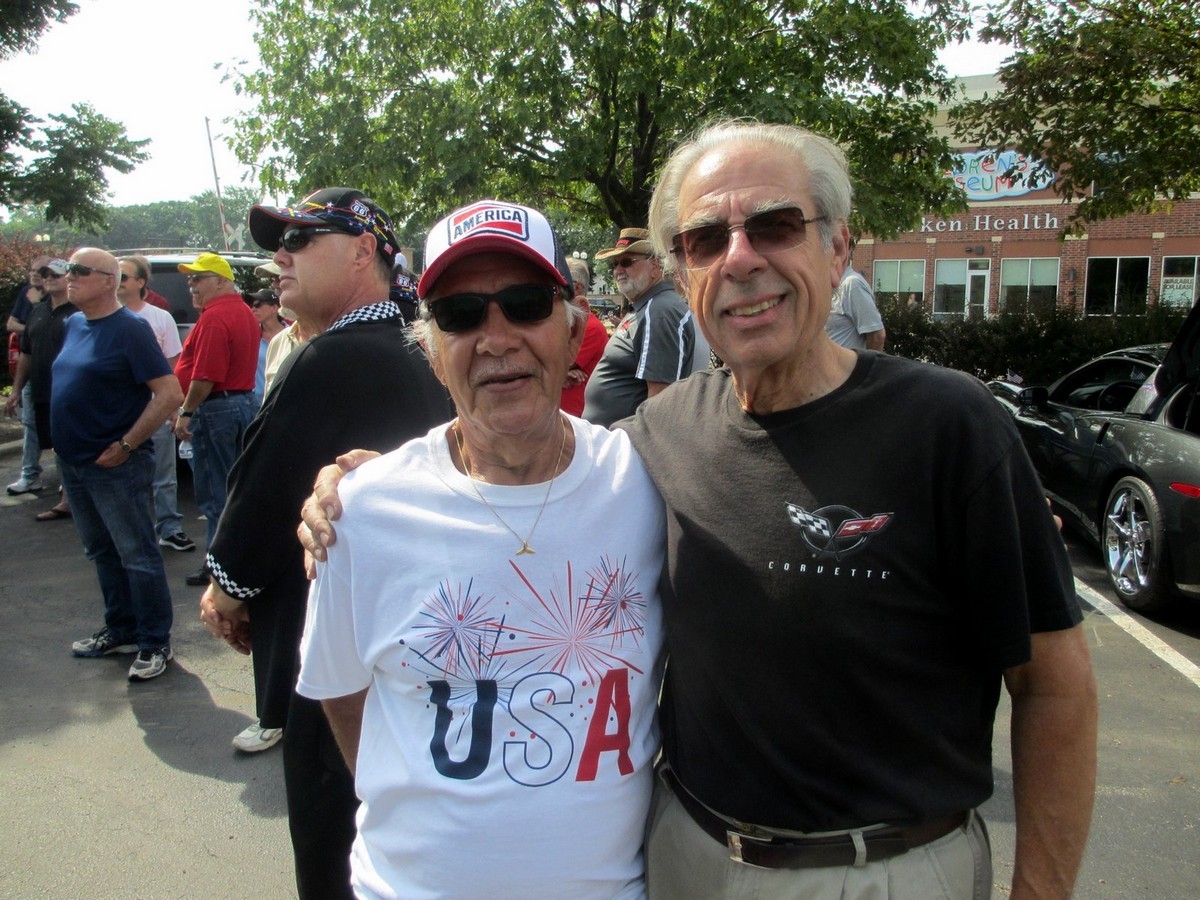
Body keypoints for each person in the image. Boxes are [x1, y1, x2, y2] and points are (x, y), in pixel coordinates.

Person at [303, 123, 1098, 900]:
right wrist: (368, 489)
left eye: (776, 225)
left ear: (838, 249)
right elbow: (361, 686)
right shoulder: (658, 437)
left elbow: (1056, 687)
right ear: (684, 275)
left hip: (881, 871)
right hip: (688, 860)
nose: (741, 259)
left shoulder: (948, 426)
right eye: (707, 240)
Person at [293, 198, 665, 898]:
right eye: (460, 315)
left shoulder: (645, 480)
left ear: (573, 330)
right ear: (432, 353)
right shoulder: (363, 512)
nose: (496, 338)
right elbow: (342, 693)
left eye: (525, 305)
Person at [197, 187, 453, 898]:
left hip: (338, 650)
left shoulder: (335, 357)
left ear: (364, 250)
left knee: (335, 840)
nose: (281, 257)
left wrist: (226, 590)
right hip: (430, 641)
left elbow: (266, 487)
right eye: (280, 243)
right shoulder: (417, 344)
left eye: (300, 240)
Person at [53, 249, 182, 681]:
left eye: (79, 271)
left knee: (137, 555)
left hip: (115, 467)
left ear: (109, 281)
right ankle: (121, 628)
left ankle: (154, 641)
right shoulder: (74, 324)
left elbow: (169, 393)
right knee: (101, 551)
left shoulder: (131, 329)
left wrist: (127, 445)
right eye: (68, 269)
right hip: (74, 463)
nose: (69, 277)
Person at [171, 253, 260, 586]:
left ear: (222, 281)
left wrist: (186, 411)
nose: (192, 286)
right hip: (240, 404)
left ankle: (218, 566)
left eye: (198, 278)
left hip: (218, 408)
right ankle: (234, 560)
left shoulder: (215, 317)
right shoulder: (243, 312)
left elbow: (206, 375)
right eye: (190, 279)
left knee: (215, 494)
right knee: (234, 488)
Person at [582, 227, 702, 427]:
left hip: (626, 442)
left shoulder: (659, 311)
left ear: (655, 265)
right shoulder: (650, 306)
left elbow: (661, 403)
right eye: (615, 264)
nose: (618, 271)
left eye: (627, 262)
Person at [118, 256, 194, 553]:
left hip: (155, 411)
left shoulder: (160, 318)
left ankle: (169, 528)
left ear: (141, 282)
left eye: (123, 276)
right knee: (123, 477)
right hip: (118, 415)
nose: (117, 282)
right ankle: (129, 533)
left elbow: (174, 365)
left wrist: (175, 409)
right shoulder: (100, 319)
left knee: (164, 476)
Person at [4, 258, 76, 520]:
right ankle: (69, 498)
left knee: (72, 444)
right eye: (46, 275)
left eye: (55, 275)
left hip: (71, 393)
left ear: (69, 278)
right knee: (57, 445)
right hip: (43, 391)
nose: (49, 279)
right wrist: (16, 390)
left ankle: (73, 499)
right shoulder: (38, 311)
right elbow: (26, 353)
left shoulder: (79, 312)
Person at [561, 256, 609, 416]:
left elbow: (548, 368)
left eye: (561, 281)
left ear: (577, 287)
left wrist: (557, 374)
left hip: (575, 416)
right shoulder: (565, 323)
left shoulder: (591, 327)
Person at [825, 242, 886, 350]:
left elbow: (877, 337)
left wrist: (864, 361)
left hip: (846, 361)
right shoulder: (826, 287)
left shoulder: (852, 284)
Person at [248, 288, 286, 406]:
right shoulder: (251, 336)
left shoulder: (293, 334)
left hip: (286, 400)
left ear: (274, 308)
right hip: (257, 404)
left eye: (258, 305)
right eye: (252, 305)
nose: (253, 309)